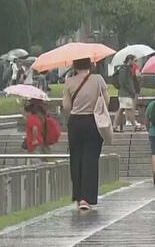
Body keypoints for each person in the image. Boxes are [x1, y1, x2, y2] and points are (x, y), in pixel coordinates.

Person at [62, 58, 110, 211]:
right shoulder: (98, 79)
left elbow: (66, 106)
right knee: (91, 158)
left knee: (76, 158)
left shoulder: (69, 82)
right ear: (90, 64)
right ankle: (86, 198)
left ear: (75, 65)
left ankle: (77, 195)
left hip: (75, 122)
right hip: (93, 121)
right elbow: (106, 101)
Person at [113, 55, 142, 132]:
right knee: (129, 109)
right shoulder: (124, 69)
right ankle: (134, 125)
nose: (135, 63)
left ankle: (115, 126)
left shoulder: (126, 69)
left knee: (122, 109)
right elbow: (124, 82)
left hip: (124, 93)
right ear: (129, 60)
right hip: (126, 93)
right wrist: (131, 91)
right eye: (134, 61)